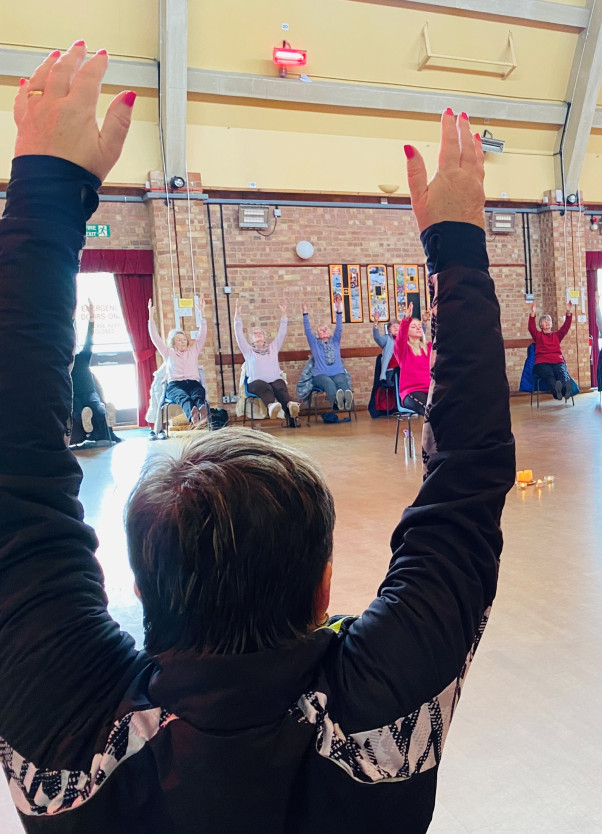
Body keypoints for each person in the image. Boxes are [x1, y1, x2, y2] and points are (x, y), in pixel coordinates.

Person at [0, 53, 513, 831]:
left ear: (140, 589)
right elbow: (470, 483)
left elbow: (15, 486)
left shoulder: (72, 728)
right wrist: (458, 243)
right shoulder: (379, 704)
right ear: (322, 589)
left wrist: (44, 192)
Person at [148, 293, 209, 424]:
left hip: (193, 382)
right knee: (184, 397)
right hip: (175, 385)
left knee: (199, 393)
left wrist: (202, 314)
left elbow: (202, 335)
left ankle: (202, 412)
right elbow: (155, 339)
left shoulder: (193, 351)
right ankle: (193, 415)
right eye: (179, 340)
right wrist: (151, 318)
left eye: (184, 339)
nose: (183, 342)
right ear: (173, 343)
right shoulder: (168, 352)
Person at [234, 301, 299, 423]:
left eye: (260, 333)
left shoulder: (273, 347)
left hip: (274, 380)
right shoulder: (248, 350)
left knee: (280, 385)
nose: (258, 334)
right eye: (255, 333)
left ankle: (290, 406)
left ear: (265, 337)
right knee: (264, 386)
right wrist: (237, 315)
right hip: (255, 383)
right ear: (251, 339)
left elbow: (282, 333)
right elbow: (238, 334)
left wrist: (284, 314)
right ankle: (271, 407)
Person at [70, 298, 121, 443]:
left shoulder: (83, 356)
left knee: (99, 410)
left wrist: (92, 318)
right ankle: (88, 427)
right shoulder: (63, 360)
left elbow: (89, 339)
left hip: (90, 392)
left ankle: (107, 421)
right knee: (78, 411)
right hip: (74, 395)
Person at [303, 298, 353, 411]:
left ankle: (347, 403)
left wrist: (339, 309)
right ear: (317, 334)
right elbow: (307, 330)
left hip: (337, 373)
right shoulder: (315, 343)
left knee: (342, 382)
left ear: (329, 332)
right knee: (329, 383)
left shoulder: (335, 341)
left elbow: (339, 328)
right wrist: (305, 313)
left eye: (326, 329)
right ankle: (336, 404)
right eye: (321, 330)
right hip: (320, 376)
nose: (324, 330)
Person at [528, 299, 574, 401]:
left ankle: (565, 391)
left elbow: (566, 327)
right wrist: (532, 313)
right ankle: (557, 393)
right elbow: (531, 328)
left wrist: (568, 313)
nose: (547, 322)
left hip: (557, 361)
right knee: (549, 375)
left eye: (549, 320)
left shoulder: (557, 335)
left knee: (562, 373)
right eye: (544, 321)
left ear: (552, 324)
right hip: (542, 362)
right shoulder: (538, 336)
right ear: (541, 325)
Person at [396, 303, 431, 415]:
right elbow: (400, 337)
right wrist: (406, 320)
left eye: (420, 326)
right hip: (411, 391)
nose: (418, 328)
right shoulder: (404, 349)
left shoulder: (429, 347)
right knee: (431, 411)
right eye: (413, 326)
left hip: (431, 389)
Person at [371, 310, 401, 387]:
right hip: (391, 371)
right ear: (389, 330)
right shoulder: (387, 339)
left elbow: (418, 339)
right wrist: (375, 323)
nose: (396, 327)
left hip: (405, 371)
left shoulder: (406, 339)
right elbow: (377, 337)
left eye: (398, 326)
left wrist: (424, 323)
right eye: (393, 326)